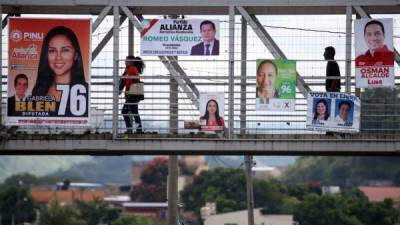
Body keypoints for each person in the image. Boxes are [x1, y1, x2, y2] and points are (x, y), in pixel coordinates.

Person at [32, 26, 88, 117]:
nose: (58, 57)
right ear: (46, 55)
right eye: (52, 51)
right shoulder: (38, 90)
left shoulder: (85, 90)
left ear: (76, 55)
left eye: (65, 50)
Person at [120, 55, 145, 134]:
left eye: (126, 61)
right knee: (134, 112)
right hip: (134, 95)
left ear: (131, 62)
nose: (125, 62)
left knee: (125, 111)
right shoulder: (131, 69)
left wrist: (126, 92)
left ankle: (132, 129)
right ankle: (137, 129)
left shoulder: (131, 69)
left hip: (132, 95)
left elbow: (129, 82)